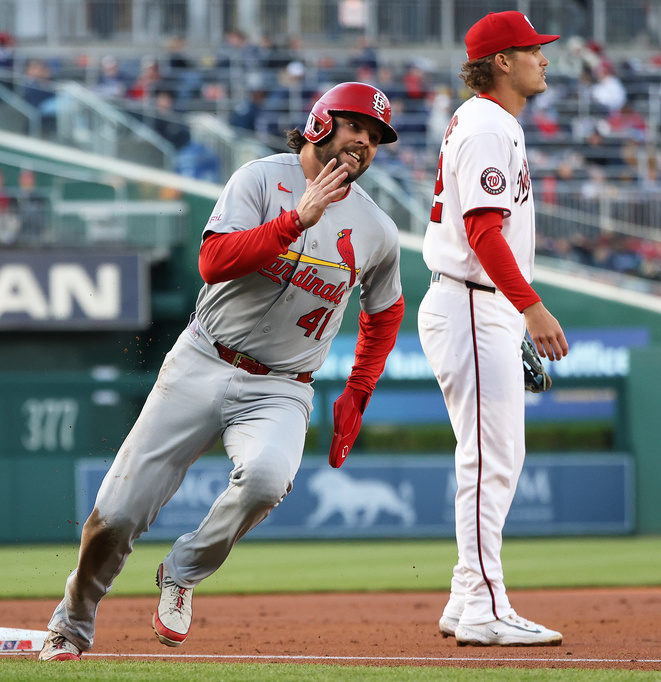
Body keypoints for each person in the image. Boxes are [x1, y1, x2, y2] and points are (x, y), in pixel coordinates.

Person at [39, 82, 405, 661]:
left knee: (266, 478)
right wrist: (295, 220)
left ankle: (181, 572)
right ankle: (72, 624)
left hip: (281, 387)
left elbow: (385, 315)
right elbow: (212, 262)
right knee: (115, 515)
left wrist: (358, 389)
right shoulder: (261, 180)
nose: (366, 142)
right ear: (320, 124)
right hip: (203, 360)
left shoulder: (377, 229)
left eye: (377, 136)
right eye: (356, 127)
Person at [418, 11, 569, 647]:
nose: (544, 59)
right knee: (491, 460)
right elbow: (482, 234)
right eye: (533, 50)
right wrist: (529, 306)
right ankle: (483, 605)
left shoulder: (489, 122)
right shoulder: (486, 125)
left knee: (495, 457)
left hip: (479, 306)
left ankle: (464, 598)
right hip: (474, 303)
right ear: (502, 61)